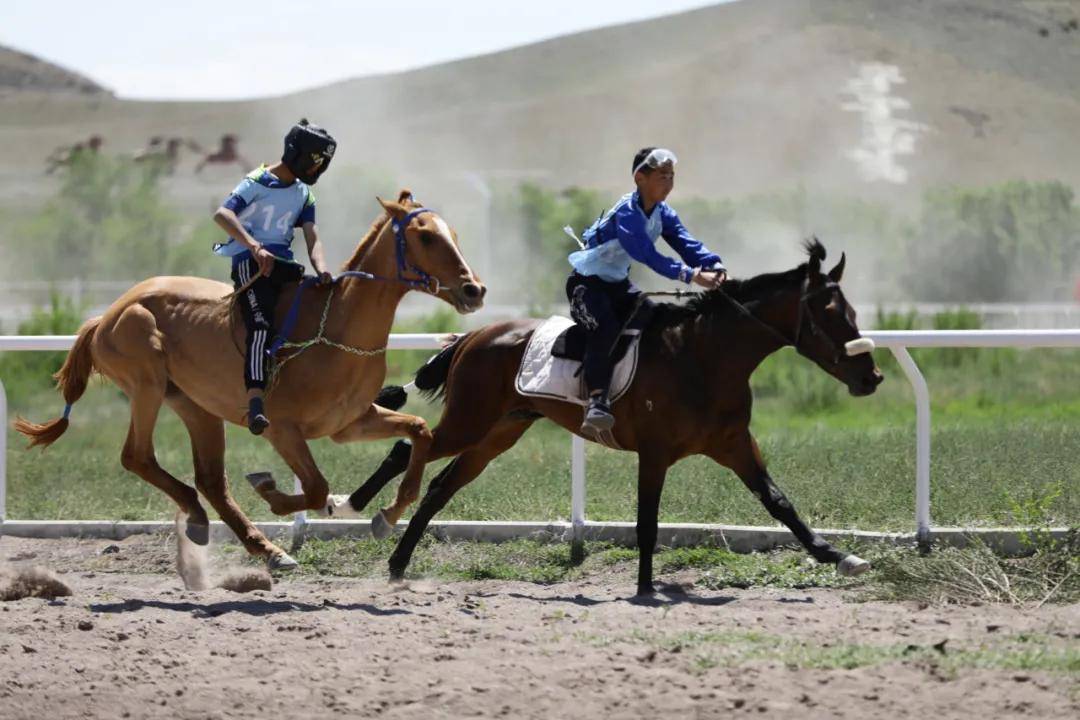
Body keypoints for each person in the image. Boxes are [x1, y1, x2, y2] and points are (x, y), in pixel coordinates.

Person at [566, 147, 727, 435]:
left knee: (656, 320)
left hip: (617, 285)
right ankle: (597, 402)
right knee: (605, 327)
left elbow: (686, 243)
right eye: (662, 176)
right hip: (586, 287)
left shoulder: (663, 213)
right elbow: (645, 254)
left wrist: (713, 264)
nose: (669, 182)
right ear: (640, 178)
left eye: (672, 176)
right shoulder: (628, 213)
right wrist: (691, 275)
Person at [211, 119, 336, 434]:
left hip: (283, 263)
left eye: (321, 162)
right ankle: (255, 401)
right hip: (250, 263)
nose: (317, 167)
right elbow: (222, 215)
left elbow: (313, 237)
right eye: (315, 159)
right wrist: (253, 247)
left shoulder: (304, 195)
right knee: (261, 326)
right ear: (297, 153)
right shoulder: (255, 182)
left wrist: (321, 268)